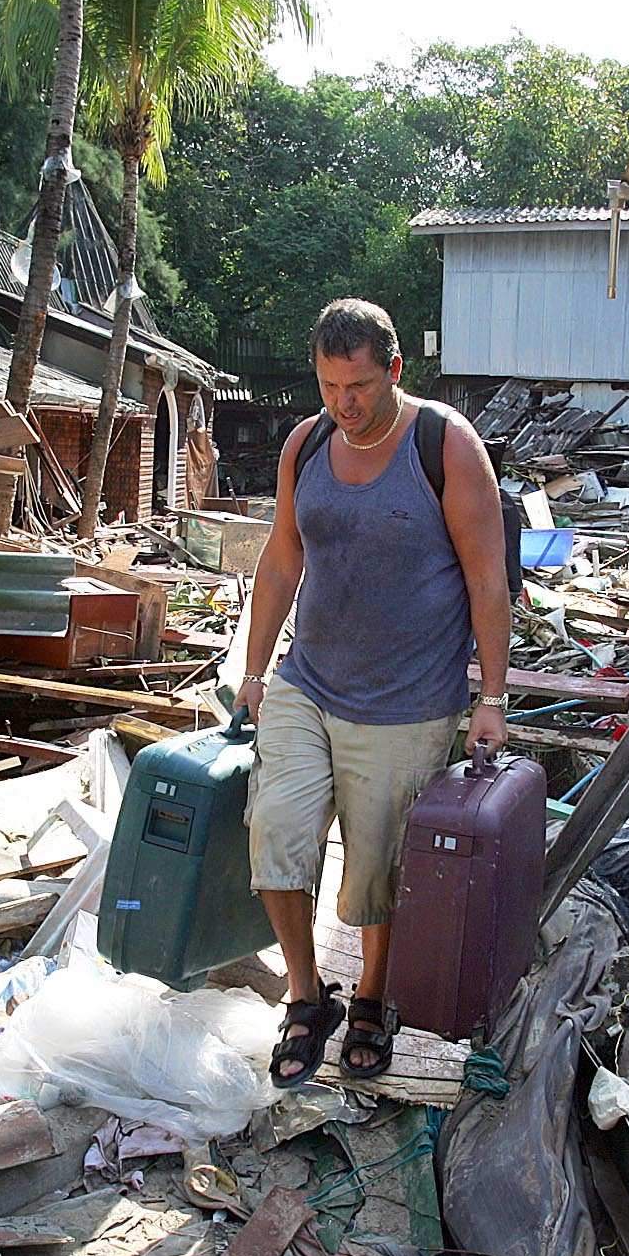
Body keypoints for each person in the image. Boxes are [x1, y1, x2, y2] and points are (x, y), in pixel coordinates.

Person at [235, 298, 511, 1087]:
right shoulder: (307, 444)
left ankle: (370, 998)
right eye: (328, 386)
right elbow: (281, 560)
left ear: (394, 369)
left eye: (357, 386)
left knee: (376, 871)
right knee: (276, 835)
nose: (343, 403)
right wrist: (254, 671)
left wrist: (491, 697)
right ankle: (306, 995)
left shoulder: (444, 446)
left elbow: (488, 578)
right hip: (308, 683)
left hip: (407, 701)